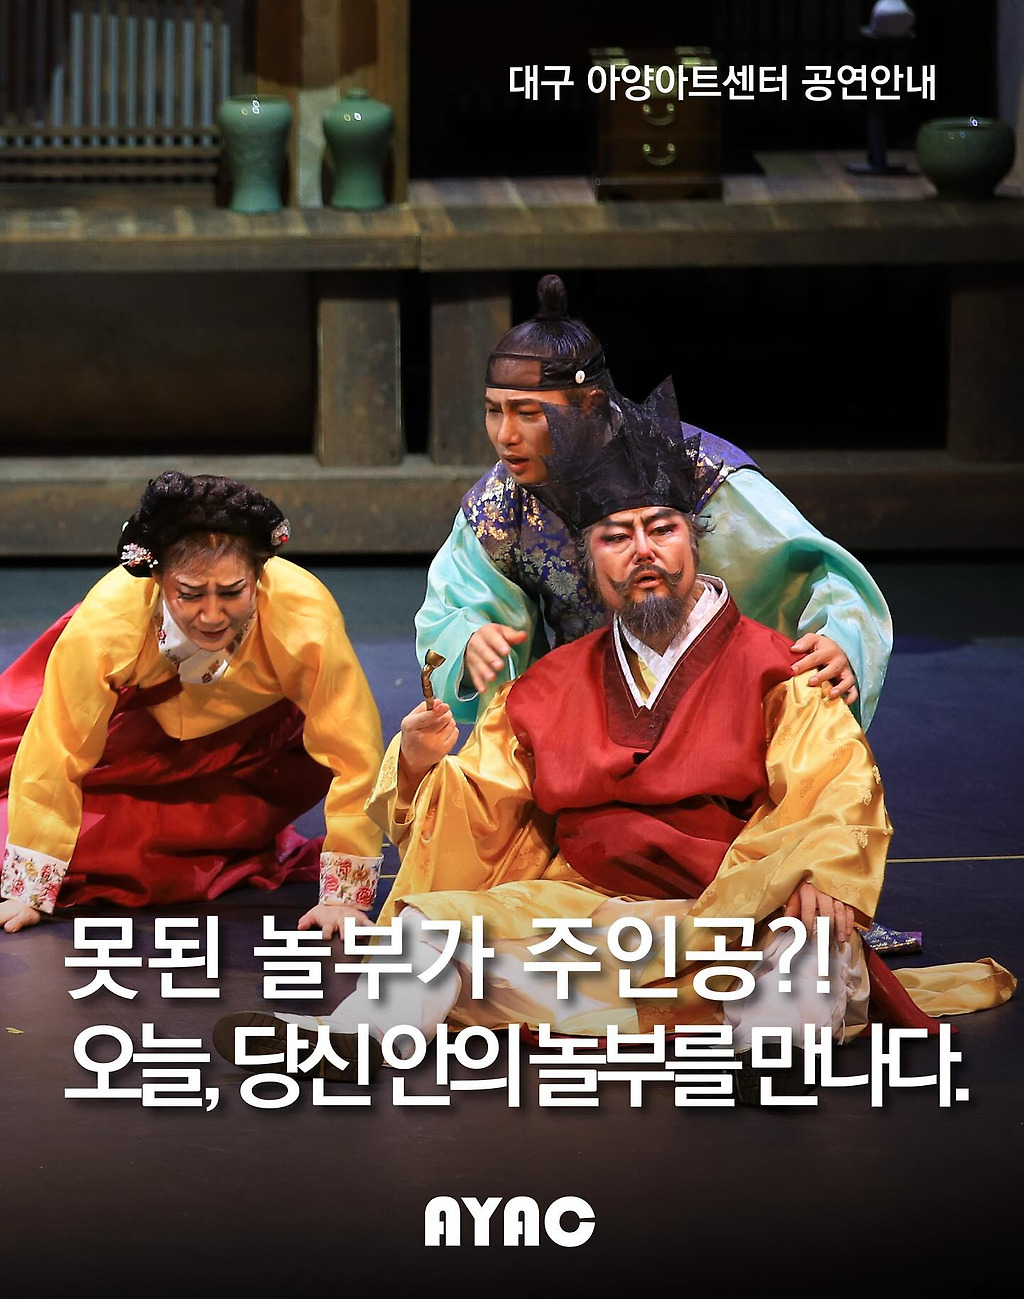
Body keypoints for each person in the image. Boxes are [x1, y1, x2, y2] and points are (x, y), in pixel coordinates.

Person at [216, 383, 1011, 1098]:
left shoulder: (778, 668)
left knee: (809, 939)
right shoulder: (549, 685)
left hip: (739, 917)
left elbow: (836, 786)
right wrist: (422, 765)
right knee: (432, 925)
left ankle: (769, 1050)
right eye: (616, 537)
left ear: (694, 539)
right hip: (599, 921)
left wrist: (822, 868)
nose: (643, 554)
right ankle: (356, 1037)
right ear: (589, 561)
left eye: (661, 529)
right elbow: (478, 809)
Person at [416, 273, 892, 731]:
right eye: (493, 411)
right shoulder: (502, 506)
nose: (505, 436)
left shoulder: (695, 472)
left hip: (715, 700)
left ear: (589, 405)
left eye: (528, 413)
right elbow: (453, 605)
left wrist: (840, 639)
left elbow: (822, 574)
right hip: (587, 712)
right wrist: (470, 641)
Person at [0, 471, 383, 933]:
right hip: (119, 745)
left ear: (259, 576)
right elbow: (56, 748)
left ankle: (228, 842)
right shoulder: (108, 623)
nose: (212, 615)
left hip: (242, 764)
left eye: (232, 592)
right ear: (157, 579)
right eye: (190, 594)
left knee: (120, 853)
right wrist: (28, 890)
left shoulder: (305, 619)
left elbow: (354, 751)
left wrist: (343, 896)